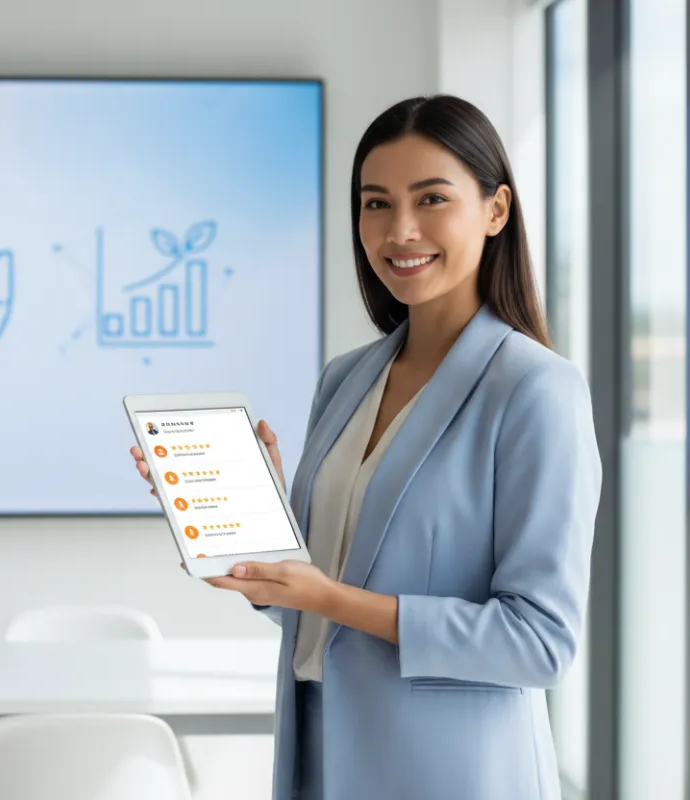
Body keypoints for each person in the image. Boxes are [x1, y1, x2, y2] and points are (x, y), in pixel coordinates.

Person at [130, 94, 601, 800]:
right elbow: (312, 610)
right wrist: (257, 533)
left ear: (496, 210)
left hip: (452, 775)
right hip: (322, 755)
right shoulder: (346, 379)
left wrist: (334, 598)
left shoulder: (536, 390)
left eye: (431, 198)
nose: (399, 230)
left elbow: (539, 643)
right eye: (376, 203)